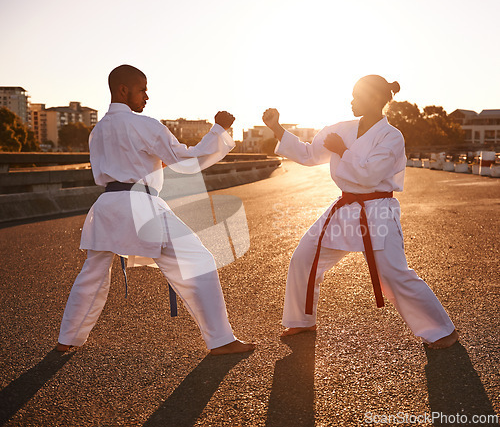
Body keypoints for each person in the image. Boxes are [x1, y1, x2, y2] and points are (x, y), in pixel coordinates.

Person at [56, 64, 255, 356]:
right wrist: (218, 129)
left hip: (108, 205)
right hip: (141, 205)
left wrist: (151, 166)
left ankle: (67, 338)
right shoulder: (144, 124)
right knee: (199, 261)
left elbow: (123, 164)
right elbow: (187, 160)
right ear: (123, 90)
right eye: (142, 89)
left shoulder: (97, 131)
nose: (146, 96)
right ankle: (221, 339)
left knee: (93, 274)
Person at [262, 75, 458, 349]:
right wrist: (277, 129)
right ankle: (301, 320)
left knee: (392, 274)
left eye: (357, 96)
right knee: (304, 256)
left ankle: (441, 331)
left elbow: (369, 175)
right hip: (344, 209)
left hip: (377, 211)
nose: (351, 101)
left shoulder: (391, 136)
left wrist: (342, 150)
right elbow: (308, 155)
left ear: (376, 99)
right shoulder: (341, 128)